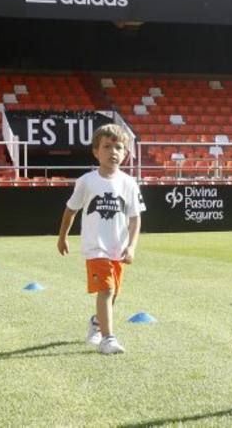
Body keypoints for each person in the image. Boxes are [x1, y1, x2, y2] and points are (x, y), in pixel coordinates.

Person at [57, 123, 145, 355]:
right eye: (107, 146)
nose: (113, 151)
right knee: (106, 291)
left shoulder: (129, 183)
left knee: (112, 293)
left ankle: (96, 324)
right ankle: (108, 339)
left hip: (118, 248)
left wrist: (132, 246)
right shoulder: (86, 181)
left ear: (125, 153)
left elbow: (135, 219)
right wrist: (63, 237)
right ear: (96, 151)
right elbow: (70, 210)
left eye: (119, 147)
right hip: (96, 248)